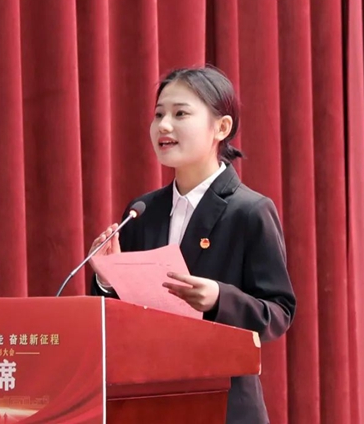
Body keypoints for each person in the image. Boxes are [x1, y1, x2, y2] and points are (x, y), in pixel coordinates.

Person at [89, 66, 296, 424]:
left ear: (222, 127)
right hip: (148, 401)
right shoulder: (142, 212)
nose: (164, 126)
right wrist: (107, 279)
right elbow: (120, 321)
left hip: (223, 405)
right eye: (159, 115)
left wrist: (219, 299)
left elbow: (278, 312)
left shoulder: (249, 211)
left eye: (180, 113)